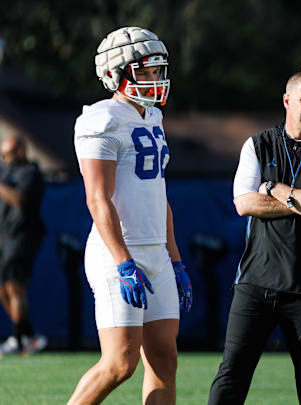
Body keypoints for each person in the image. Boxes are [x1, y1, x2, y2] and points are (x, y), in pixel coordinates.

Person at [207, 71, 301, 404]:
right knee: (231, 375)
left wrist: (275, 189)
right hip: (256, 281)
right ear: (287, 101)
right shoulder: (258, 144)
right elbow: (243, 203)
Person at [67, 26, 192, 405]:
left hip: (156, 251)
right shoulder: (100, 119)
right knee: (120, 362)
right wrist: (123, 262)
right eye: (146, 71)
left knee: (164, 360)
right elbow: (97, 198)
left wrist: (175, 260)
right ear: (116, 74)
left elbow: (159, 195)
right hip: (116, 253)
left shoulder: (153, 118)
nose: (155, 80)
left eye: (158, 71)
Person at [0, 135, 47, 356]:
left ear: (20, 151)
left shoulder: (31, 173)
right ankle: (27, 336)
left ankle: (19, 339)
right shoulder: (5, 170)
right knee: (3, 288)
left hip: (22, 237)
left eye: (7, 154)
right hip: (4, 237)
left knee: (15, 286)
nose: (4, 158)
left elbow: (19, 200)